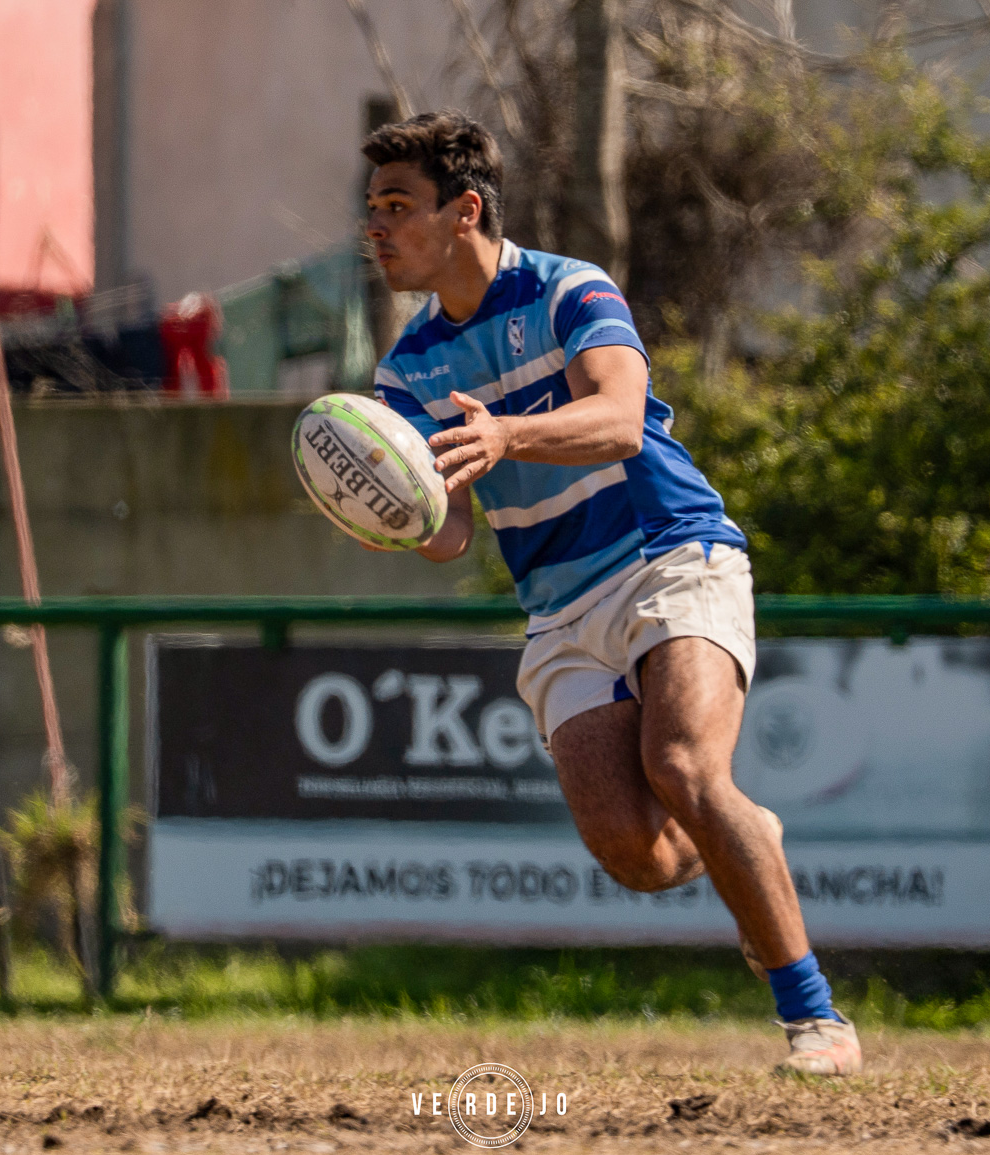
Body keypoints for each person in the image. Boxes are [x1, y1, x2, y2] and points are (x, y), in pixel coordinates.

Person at [358, 110, 859, 1074]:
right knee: (637, 854)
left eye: (397, 205)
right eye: (371, 208)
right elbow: (450, 531)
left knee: (683, 765)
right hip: (560, 605)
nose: (376, 226)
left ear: (465, 211)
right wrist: (387, 508)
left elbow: (621, 420)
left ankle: (816, 1020)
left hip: (668, 551)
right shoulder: (405, 368)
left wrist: (505, 433)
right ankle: (747, 836)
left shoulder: (567, 288)